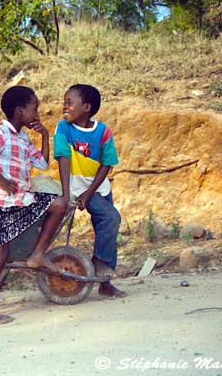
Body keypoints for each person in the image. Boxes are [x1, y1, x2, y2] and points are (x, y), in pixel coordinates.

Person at [0, 86, 68, 327]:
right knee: (0, 255)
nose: (38, 113)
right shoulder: (1, 133)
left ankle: (37, 255)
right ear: (20, 111)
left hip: (17, 201)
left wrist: (44, 135)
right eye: (35, 109)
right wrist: (0, 178)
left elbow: (42, 164)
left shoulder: (22, 137)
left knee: (59, 204)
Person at [53, 84, 126, 298]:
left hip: (97, 188)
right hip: (73, 186)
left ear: (86, 107)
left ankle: (104, 280)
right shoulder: (63, 128)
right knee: (111, 218)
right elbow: (63, 159)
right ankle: (99, 265)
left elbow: (107, 164)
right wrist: (68, 195)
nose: (64, 107)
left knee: (109, 224)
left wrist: (88, 193)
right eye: (64, 102)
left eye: (69, 103)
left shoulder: (103, 131)